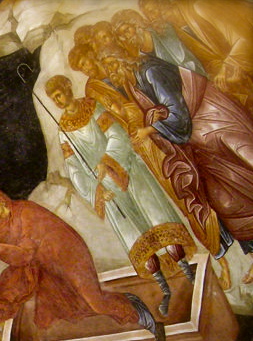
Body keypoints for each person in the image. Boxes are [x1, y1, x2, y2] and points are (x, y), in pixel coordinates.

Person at [0, 188, 166, 341]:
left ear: (4, 201)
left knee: (97, 303)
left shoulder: (27, 214)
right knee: (55, 311)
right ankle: (127, 304)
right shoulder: (3, 221)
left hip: (70, 259)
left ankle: (147, 319)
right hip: (48, 265)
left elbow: (24, 256)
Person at [99, 46, 253, 284]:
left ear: (123, 59)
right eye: (106, 68)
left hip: (211, 127)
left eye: (111, 64)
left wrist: (149, 129)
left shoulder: (151, 72)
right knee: (224, 200)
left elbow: (179, 118)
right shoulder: (133, 82)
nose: (110, 71)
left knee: (241, 186)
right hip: (198, 144)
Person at [45, 75, 194, 316]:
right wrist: (96, 190)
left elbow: (117, 135)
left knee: (158, 221)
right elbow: (74, 168)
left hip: (128, 172)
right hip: (108, 190)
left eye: (59, 94)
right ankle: (165, 289)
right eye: (54, 99)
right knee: (138, 238)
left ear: (68, 88)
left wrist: (106, 161)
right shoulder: (63, 130)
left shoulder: (92, 107)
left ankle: (189, 275)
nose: (59, 101)